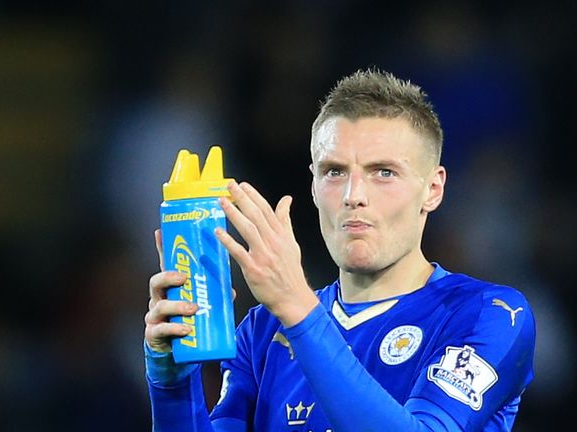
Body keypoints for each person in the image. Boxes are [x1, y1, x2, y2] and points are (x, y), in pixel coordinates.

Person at [144, 69, 535, 431]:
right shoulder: (263, 332)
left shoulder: (488, 314)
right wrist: (172, 382)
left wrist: (299, 312)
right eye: (334, 171)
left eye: (384, 172)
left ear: (432, 189)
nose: (353, 196)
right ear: (313, 186)